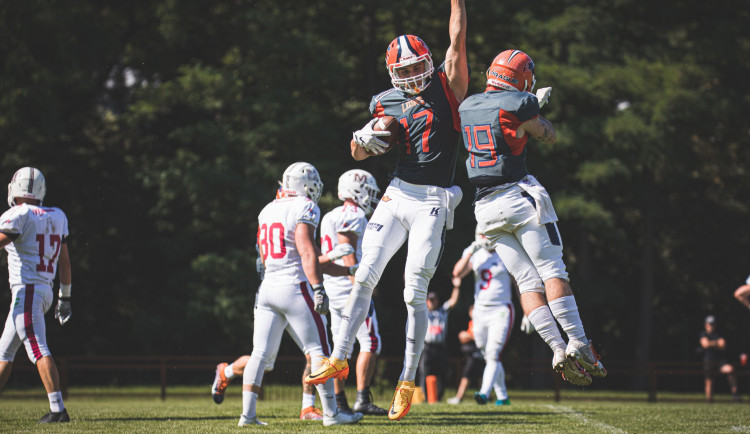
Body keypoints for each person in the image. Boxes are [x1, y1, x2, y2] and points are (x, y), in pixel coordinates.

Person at [305, 0, 468, 422]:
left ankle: (406, 381)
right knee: (364, 274)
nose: (414, 77)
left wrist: (457, 3)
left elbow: (457, 40)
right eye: (405, 71)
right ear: (393, 74)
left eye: (419, 67)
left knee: (413, 290)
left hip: (433, 198)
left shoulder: (448, 86)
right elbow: (357, 153)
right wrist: (360, 138)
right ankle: (339, 357)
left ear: (430, 64)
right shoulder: (386, 102)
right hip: (397, 193)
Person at [458, 49, 607, 386]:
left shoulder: (467, 105)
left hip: (484, 208)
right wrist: (534, 107)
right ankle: (579, 343)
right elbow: (546, 134)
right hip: (518, 195)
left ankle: (556, 348)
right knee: (552, 270)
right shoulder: (521, 104)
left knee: (526, 281)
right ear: (521, 77)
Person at [238, 162, 363, 427]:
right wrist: (318, 287)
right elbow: (307, 253)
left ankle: (247, 416)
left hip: (267, 288)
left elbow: (270, 256)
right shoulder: (304, 206)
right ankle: (331, 414)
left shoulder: (267, 209)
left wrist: (341, 267)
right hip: (295, 287)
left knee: (259, 354)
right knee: (319, 350)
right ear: (303, 185)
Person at [213, 240, 355, 421]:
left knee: (312, 354)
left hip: (280, 295)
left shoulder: (278, 219)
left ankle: (307, 407)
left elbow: (315, 262)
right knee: (271, 360)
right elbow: (308, 260)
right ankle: (227, 372)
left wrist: (348, 270)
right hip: (286, 294)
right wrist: (331, 257)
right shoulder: (293, 221)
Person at [0, 167, 72, 423]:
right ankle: (57, 408)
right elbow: (64, 262)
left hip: (27, 291)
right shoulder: (57, 216)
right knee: (4, 352)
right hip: (44, 291)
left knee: (37, 348)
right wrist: (65, 297)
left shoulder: (18, 215)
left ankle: (57, 410)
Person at [320, 170, 387, 416]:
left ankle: (339, 401)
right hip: (349, 287)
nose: (370, 197)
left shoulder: (329, 215)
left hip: (331, 286)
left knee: (341, 346)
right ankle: (362, 399)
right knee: (371, 342)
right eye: (368, 191)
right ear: (356, 190)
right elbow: (347, 248)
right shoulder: (355, 214)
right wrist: (358, 284)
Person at [451, 228, 515, 405]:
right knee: (488, 354)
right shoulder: (475, 253)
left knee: (493, 353)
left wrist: (527, 310)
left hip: (501, 308)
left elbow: (518, 282)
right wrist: (471, 251)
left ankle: (484, 393)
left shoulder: (506, 252)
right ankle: (502, 397)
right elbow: (457, 273)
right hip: (480, 309)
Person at [419, 287, 460, 402]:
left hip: (440, 346)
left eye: (434, 299)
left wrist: (456, 286)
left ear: (437, 300)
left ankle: (439, 396)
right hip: (427, 347)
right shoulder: (423, 311)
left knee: (443, 372)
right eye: (430, 300)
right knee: (425, 372)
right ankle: (426, 398)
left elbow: (453, 301)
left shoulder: (442, 311)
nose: (432, 302)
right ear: (427, 301)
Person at [446, 305, 485, 405]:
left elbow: (480, 337)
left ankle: (459, 397)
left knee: (466, 374)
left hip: (478, 353)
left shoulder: (481, 323)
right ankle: (485, 396)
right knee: (478, 375)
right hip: (473, 353)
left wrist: (467, 335)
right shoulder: (471, 323)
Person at [699, 315, 740, 403]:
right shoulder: (703, 334)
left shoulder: (719, 333)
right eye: (710, 324)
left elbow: (723, 345)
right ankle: (709, 401)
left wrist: (711, 343)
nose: (712, 326)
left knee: (730, 370)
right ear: (706, 325)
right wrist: (717, 343)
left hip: (720, 361)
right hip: (708, 361)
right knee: (709, 381)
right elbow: (705, 344)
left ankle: (735, 395)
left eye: (713, 324)